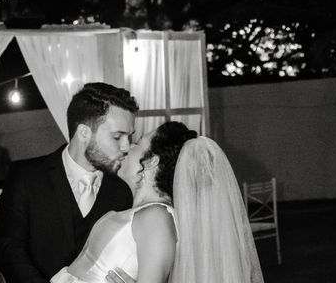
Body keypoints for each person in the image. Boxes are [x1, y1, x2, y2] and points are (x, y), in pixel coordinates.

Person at [53, 121, 264, 283]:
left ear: (152, 161)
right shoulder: (142, 212)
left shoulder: (156, 217)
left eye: (139, 142)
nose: (129, 147)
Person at [0, 82, 139, 283]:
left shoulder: (122, 193)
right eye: (117, 137)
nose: (126, 147)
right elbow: (7, 248)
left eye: (130, 137)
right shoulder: (26, 177)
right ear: (84, 133)